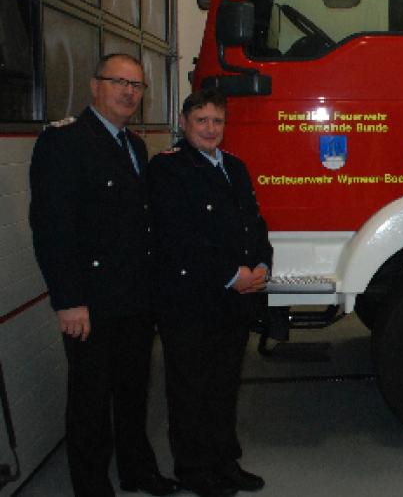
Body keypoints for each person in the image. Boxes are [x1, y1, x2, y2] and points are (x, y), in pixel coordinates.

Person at [28, 53, 178, 497]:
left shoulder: (133, 146)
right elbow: (52, 227)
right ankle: (92, 487)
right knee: (91, 403)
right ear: (95, 87)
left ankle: (137, 472)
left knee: (133, 394)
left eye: (136, 85)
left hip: (134, 298)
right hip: (90, 302)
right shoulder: (65, 142)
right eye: (119, 82)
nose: (129, 92)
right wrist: (68, 300)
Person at [147, 89, 272, 497]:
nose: (210, 128)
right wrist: (229, 274)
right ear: (184, 123)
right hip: (189, 300)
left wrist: (261, 266)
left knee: (223, 387)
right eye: (201, 120)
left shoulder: (234, 167)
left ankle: (224, 461)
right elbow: (177, 236)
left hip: (232, 301)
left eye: (217, 121)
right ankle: (193, 469)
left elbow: (254, 224)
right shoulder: (168, 169)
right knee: (190, 389)